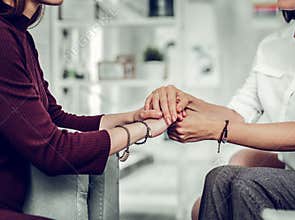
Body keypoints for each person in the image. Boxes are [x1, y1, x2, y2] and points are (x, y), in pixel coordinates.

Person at [145, 0, 295, 219]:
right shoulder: (271, 46)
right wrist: (184, 100)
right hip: (292, 177)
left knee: (246, 184)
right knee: (218, 178)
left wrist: (218, 130)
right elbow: (239, 113)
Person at [0, 0, 170, 219]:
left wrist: (132, 117)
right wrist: (144, 129)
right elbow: (53, 151)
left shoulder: (20, 35)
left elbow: (54, 116)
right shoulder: (3, 39)